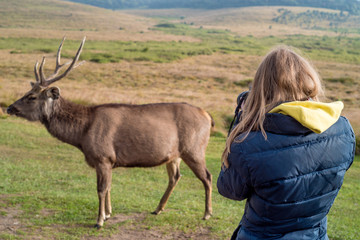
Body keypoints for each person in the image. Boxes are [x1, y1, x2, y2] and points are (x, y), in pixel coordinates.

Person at [217, 46, 356, 240]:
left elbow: (230, 190)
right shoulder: (342, 129)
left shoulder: (248, 144)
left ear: (262, 88)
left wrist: (240, 123)